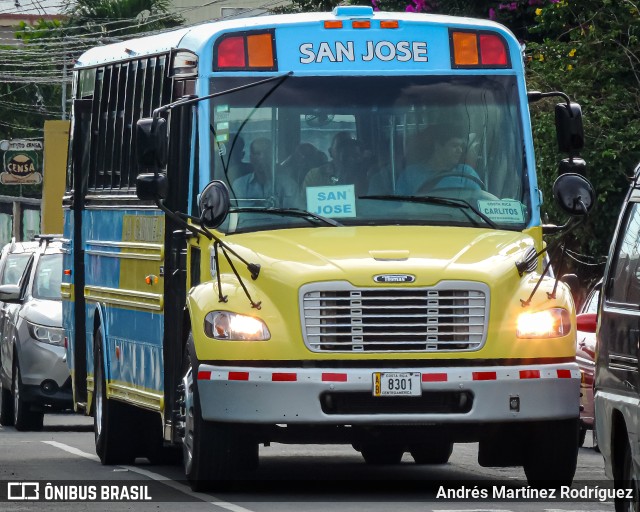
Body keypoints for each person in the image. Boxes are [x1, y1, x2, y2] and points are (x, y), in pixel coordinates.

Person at [396, 124, 483, 195]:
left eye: (461, 146)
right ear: (438, 146)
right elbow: (399, 207)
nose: (460, 151)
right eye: (454, 146)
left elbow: (479, 202)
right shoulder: (411, 174)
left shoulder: (466, 172)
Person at [231, 137, 299, 208]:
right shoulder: (240, 185)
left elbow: (297, 213)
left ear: (273, 157)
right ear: (251, 158)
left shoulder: (289, 185)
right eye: (257, 153)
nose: (262, 157)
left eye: (267, 152)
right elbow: (238, 214)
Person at [302, 132, 366, 193]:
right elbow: (305, 202)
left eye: (352, 145)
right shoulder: (315, 176)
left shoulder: (366, 173)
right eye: (341, 146)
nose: (348, 150)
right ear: (330, 152)